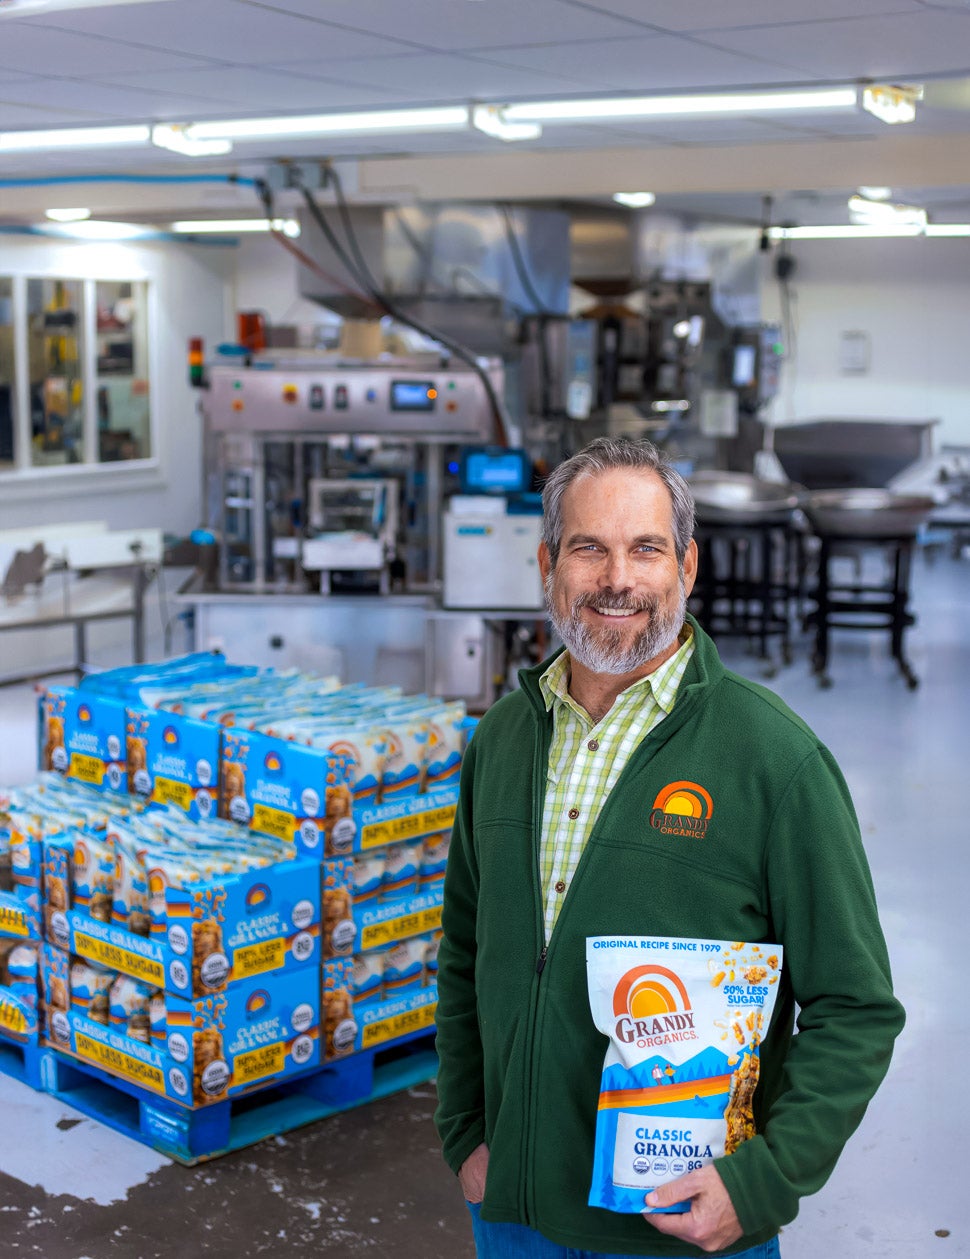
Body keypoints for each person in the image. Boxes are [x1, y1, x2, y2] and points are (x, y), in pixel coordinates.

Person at [434, 436, 904, 1258]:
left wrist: (760, 1181)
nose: (618, 579)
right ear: (548, 564)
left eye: (646, 548)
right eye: (589, 548)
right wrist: (467, 1132)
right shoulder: (503, 739)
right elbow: (465, 950)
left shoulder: (773, 760)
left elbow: (855, 1008)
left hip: (682, 1226)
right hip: (512, 1211)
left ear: (687, 566)